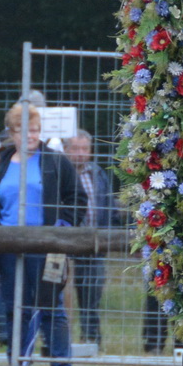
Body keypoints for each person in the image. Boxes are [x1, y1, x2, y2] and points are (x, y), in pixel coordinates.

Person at [0, 103, 84, 366]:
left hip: (47, 248)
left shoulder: (55, 162)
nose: (30, 136)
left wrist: (62, 226)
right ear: (12, 133)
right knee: (15, 309)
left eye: (36, 130)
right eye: (24, 131)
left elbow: (78, 198)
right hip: (9, 249)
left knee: (52, 308)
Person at [64, 130, 123, 349]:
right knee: (63, 294)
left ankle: (92, 339)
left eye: (84, 149)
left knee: (92, 295)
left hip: (96, 244)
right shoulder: (61, 173)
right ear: (66, 150)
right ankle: (63, 339)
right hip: (67, 244)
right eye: (75, 149)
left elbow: (109, 206)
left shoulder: (98, 174)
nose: (80, 154)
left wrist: (109, 234)